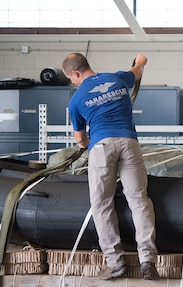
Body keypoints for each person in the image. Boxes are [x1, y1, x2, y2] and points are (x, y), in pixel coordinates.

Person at [62, 53, 159, 280]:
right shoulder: (118, 78)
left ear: (76, 73)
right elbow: (137, 70)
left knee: (102, 204)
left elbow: (80, 139)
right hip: (129, 143)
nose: (73, 82)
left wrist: (87, 147)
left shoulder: (76, 100)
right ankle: (148, 260)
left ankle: (115, 263)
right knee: (139, 200)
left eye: (71, 79)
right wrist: (141, 60)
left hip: (101, 147)